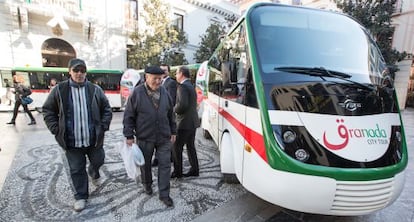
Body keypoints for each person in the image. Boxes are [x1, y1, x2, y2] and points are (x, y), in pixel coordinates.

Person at [42, 58, 113, 212]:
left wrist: (103, 126)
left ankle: (94, 172)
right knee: (76, 169)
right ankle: (81, 196)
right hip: (71, 141)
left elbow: (106, 108)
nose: (79, 73)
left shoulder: (95, 89)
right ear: (70, 72)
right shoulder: (59, 90)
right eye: (76, 70)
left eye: (82, 70)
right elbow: (48, 110)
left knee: (98, 159)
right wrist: (56, 129)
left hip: (93, 139)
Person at [123, 65, 176, 207]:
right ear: (146, 77)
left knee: (165, 165)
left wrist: (173, 131)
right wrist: (129, 135)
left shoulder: (165, 92)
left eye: (160, 78)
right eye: (155, 78)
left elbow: (171, 114)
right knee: (145, 164)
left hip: (164, 136)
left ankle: (164, 194)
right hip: (145, 136)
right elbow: (129, 115)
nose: (158, 81)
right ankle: (147, 184)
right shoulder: (137, 93)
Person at [171, 66, 200, 178]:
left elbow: (182, 105)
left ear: (182, 73)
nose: (176, 76)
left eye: (177, 73)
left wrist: (173, 109)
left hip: (184, 123)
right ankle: (195, 169)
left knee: (176, 147)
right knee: (190, 146)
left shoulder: (182, 86)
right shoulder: (190, 85)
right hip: (192, 122)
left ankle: (177, 172)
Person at [152, 64, 177, 167]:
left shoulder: (170, 83)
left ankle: (163, 158)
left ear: (168, 71)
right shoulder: (159, 82)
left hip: (165, 113)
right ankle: (159, 158)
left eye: (165, 70)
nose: (163, 72)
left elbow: (171, 99)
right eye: (161, 70)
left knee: (164, 137)